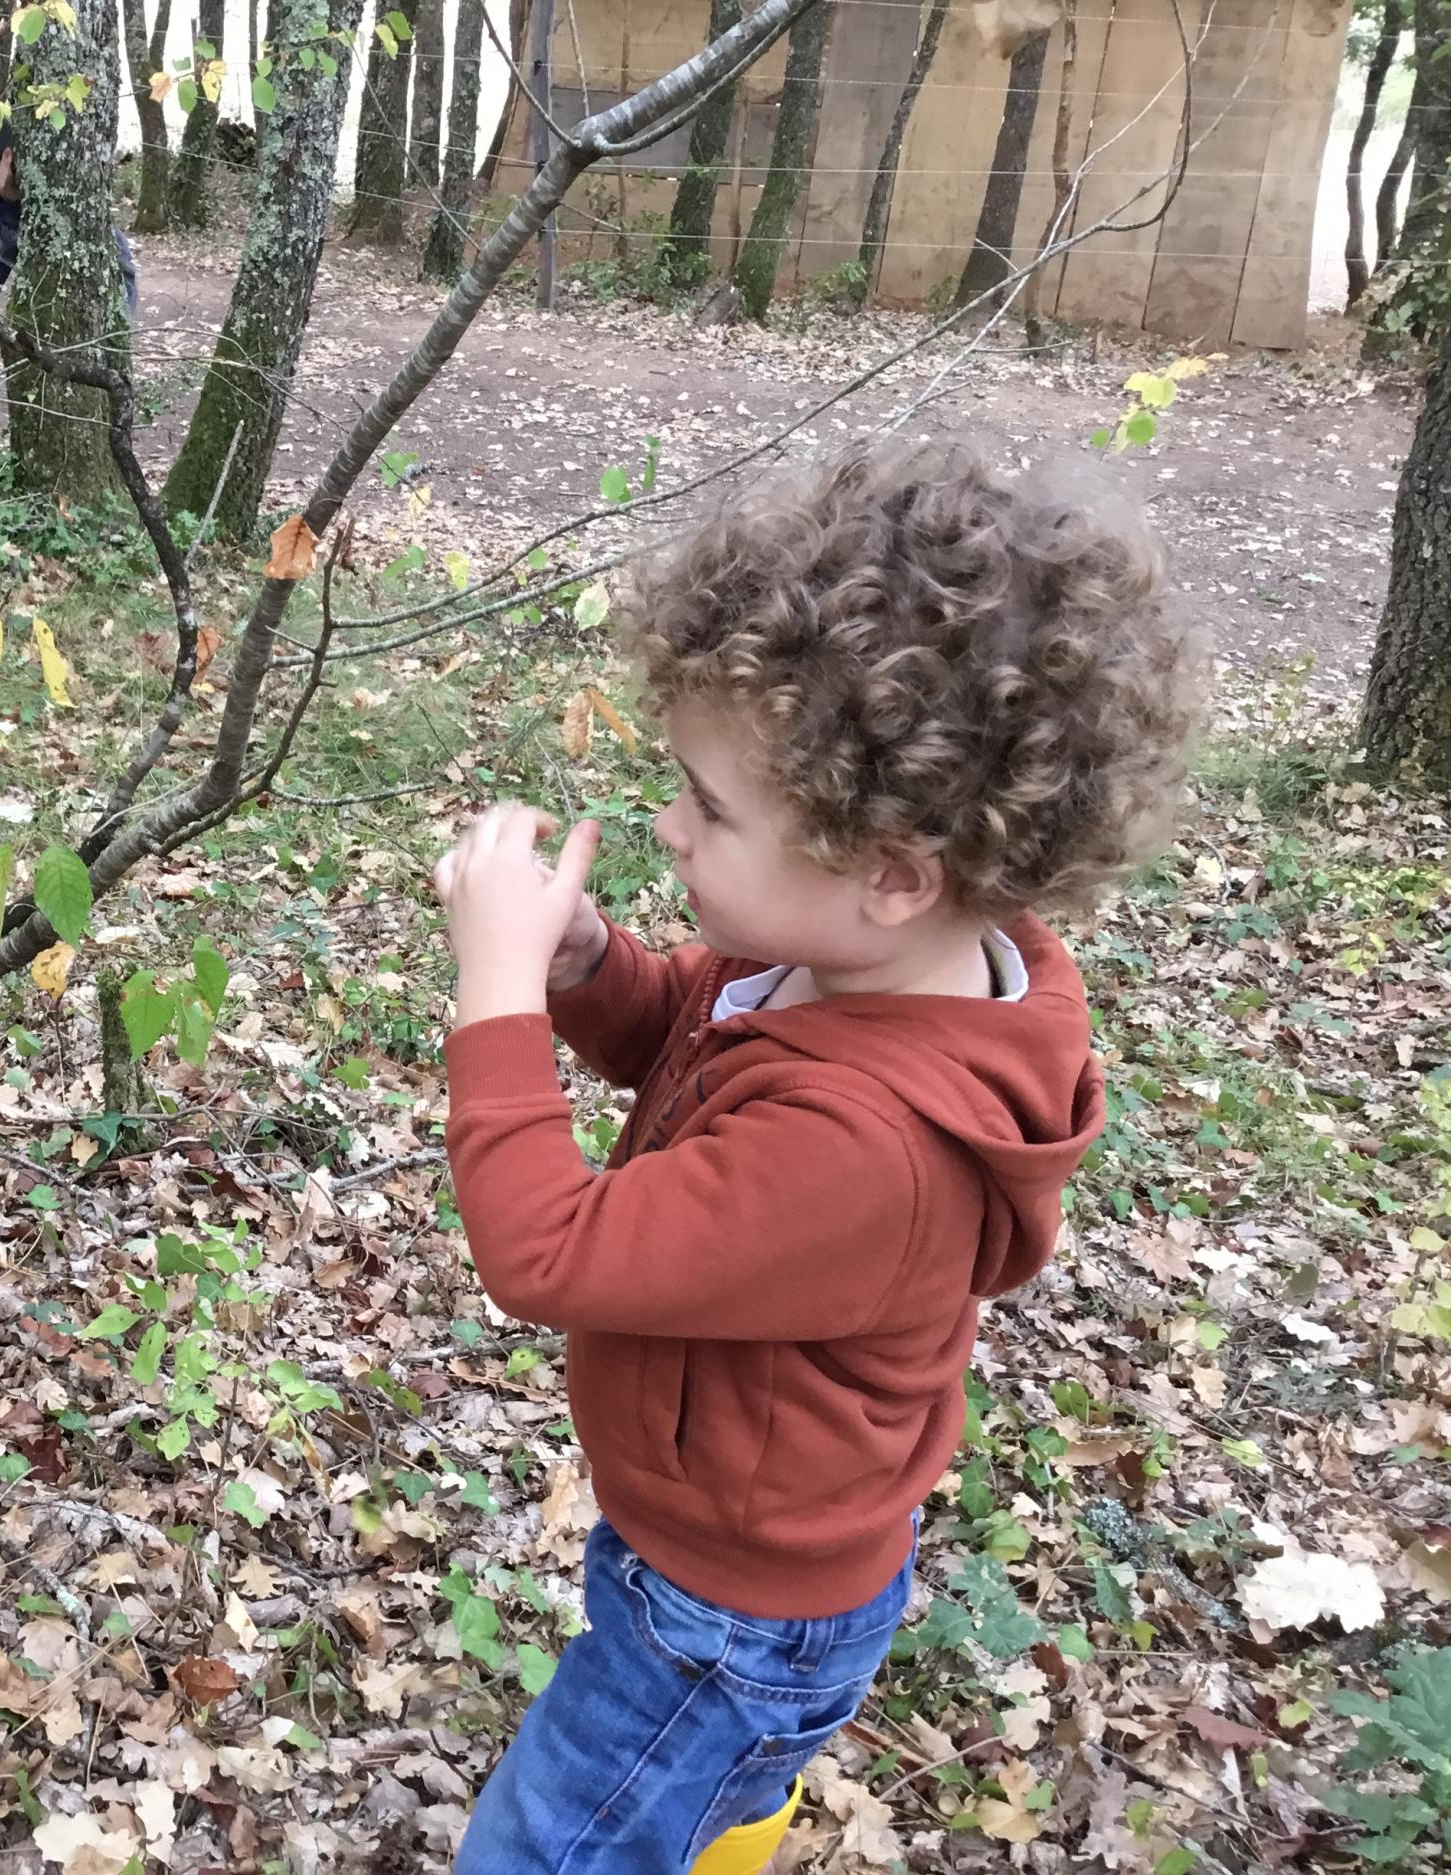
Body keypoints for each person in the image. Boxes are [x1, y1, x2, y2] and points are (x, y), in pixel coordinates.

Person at [431, 442, 1196, 1875]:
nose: (668, 826)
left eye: (711, 808)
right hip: (706, 1554)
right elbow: (691, 1039)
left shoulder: (874, 1148)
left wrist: (495, 992)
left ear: (892, 870)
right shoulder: (857, 962)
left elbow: (545, 1251)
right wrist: (589, 967)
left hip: (723, 1626)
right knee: (691, 1813)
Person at [0, 120, 138, 353]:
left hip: (91, 303)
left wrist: (117, 327)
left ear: (6, 157)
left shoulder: (54, 189)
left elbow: (115, 257)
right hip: (45, 310)